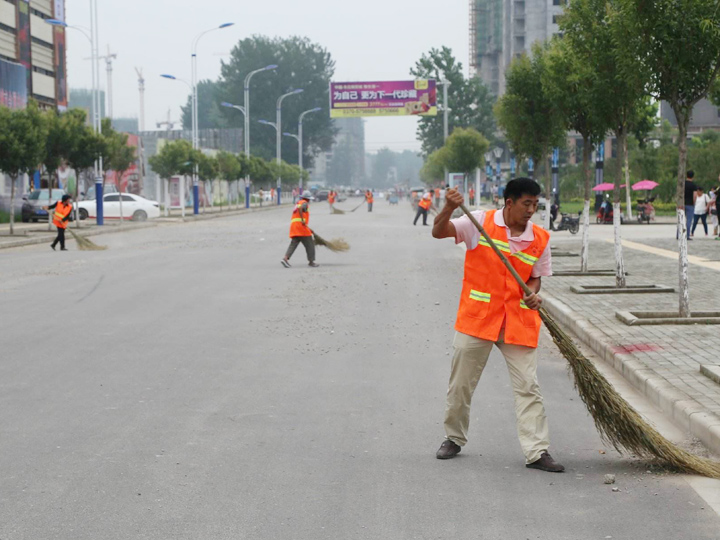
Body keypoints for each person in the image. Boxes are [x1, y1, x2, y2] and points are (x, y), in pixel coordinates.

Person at [431, 178, 564, 473]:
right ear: (509, 202)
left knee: (529, 386)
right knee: (461, 384)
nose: (531, 210)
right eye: (526, 204)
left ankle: (536, 451)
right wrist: (448, 208)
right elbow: (439, 231)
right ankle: (453, 437)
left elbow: (536, 276)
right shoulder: (479, 222)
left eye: (535, 204)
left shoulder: (540, 238)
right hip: (477, 319)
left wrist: (532, 292)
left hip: (518, 321)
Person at [281, 191, 318, 268]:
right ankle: (311, 261)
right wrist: (302, 219)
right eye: (309, 199)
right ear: (307, 199)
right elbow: (301, 209)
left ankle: (285, 259)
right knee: (310, 244)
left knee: (293, 244)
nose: (309, 201)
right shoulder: (304, 203)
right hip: (301, 227)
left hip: (294, 227)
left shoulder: (298, 203)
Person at [684, 171, 698, 240]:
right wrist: (694, 202)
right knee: (689, 220)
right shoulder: (693, 185)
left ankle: (679, 234)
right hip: (690, 204)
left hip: (682, 204)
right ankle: (687, 235)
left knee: (681, 219)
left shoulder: (683, 184)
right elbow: (695, 195)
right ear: (693, 176)